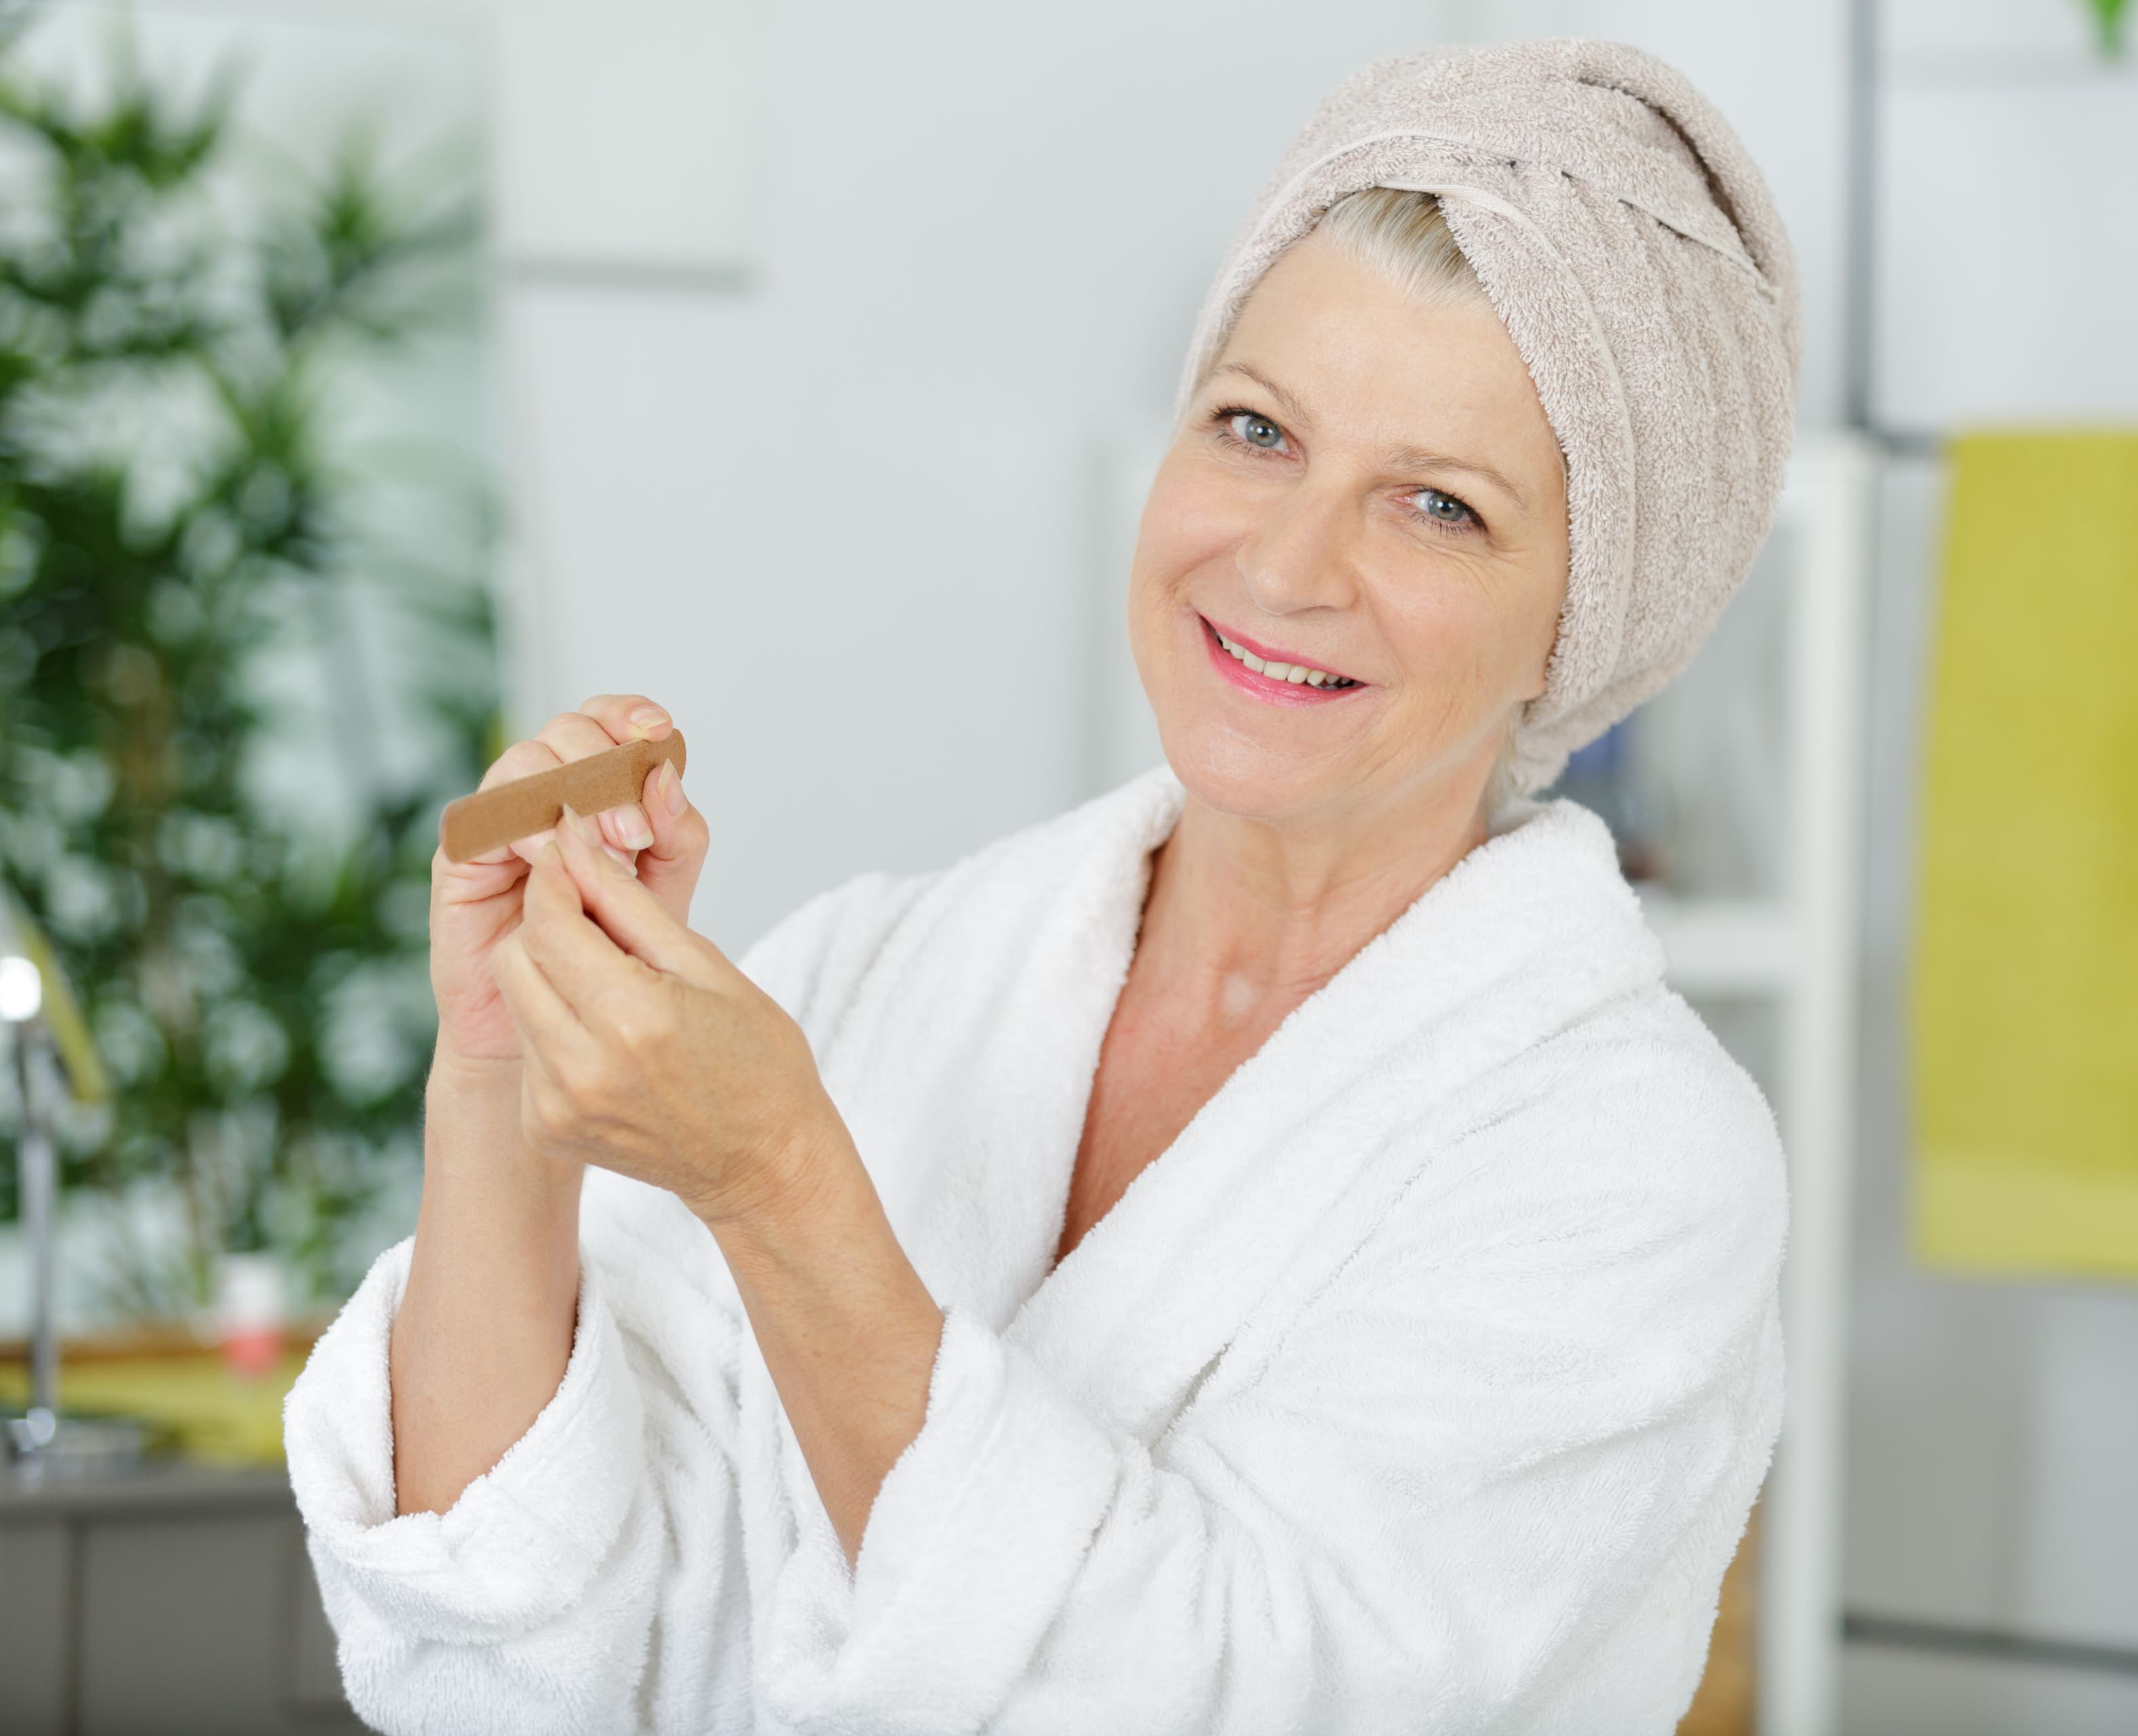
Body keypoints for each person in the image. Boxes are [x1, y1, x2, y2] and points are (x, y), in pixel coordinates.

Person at [286, 38, 1800, 1735]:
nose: (1288, 564)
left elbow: (1230, 1702)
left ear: (1585, 622)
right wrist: (500, 1079)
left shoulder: (1631, 1166)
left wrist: (787, 1183)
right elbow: (507, 1660)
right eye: (1255, 428)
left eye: (1439, 507)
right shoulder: (885, 967)